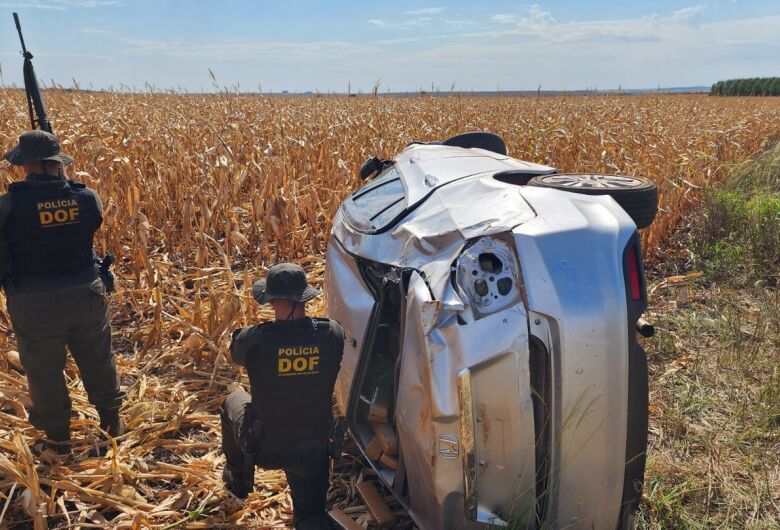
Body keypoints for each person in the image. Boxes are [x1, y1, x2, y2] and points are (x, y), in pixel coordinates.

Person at [1, 130, 125, 455]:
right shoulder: (88, 198)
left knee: (44, 369)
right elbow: (86, 222)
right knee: (98, 357)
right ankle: (113, 426)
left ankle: (58, 439)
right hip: (86, 293)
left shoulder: (8, 205)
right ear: (58, 162)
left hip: (34, 302)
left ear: (24, 164)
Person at [221, 263, 344, 530]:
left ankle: (238, 480)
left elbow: (235, 353)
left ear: (272, 300)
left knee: (232, 399)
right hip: (313, 449)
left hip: (264, 445)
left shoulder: (253, 340)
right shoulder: (332, 334)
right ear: (305, 297)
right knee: (311, 517)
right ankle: (308, 515)